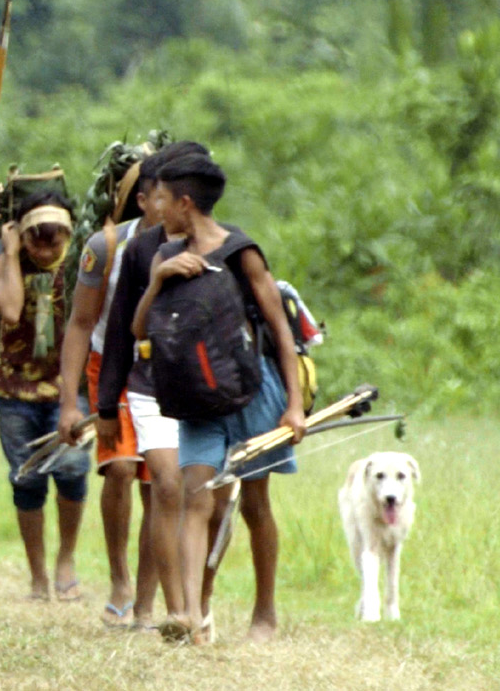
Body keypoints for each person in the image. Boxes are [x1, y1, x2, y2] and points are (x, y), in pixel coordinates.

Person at [127, 152, 306, 644]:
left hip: (251, 392)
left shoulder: (242, 252)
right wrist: (160, 280)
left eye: (162, 198)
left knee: (254, 502)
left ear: (186, 203)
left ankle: (264, 612)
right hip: (194, 396)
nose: (156, 208)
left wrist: (293, 404)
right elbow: (139, 329)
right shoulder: (165, 256)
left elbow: (280, 329)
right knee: (195, 497)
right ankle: (188, 615)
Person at [73, 142, 218, 636]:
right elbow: (108, 330)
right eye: (154, 194)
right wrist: (95, 400)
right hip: (137, 376)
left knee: (184, 495)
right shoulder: (125, 249)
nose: (164, 205)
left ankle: (177, 605)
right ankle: (146, 596)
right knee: (143, 478)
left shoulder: (228, 246)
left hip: (199, 383)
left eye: (172, 194)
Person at [53, 144, 163, 628]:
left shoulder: (199, 244)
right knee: (119, 470)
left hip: (166, 373)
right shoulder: (105, 248)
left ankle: (146, 599)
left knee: (160, 484)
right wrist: (67, 403)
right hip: (110, 367)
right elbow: (79, 324)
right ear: (142, 199)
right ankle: (119, 578)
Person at [0, 193, 90, 602]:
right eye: (36, 240)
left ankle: (66, 560)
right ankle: (37, 576)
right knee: (26, 478)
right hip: (15, 389)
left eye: (54, 240)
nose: (44, 249)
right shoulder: (7, 262)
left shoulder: (80, 265)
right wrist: (10, 254)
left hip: (68, 390)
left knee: (72, 470)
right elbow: (8, 311)